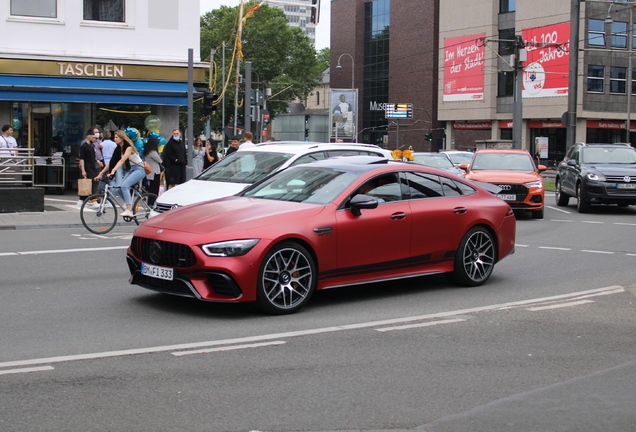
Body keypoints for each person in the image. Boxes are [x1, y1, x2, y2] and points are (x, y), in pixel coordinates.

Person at [107, 130, 147, 217]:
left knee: (124, 186)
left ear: (122, 138)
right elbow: (113, 161)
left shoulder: (128, 147)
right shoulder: (119, 148)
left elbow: (122, 160)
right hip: (131, 169)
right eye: (114, 137)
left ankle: (129, 210)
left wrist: (113, 171)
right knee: (120, 187)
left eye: (116, 137)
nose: (115, 139)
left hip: (139, 169)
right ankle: (129, 204)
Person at [78, 128, 100, 206]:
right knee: (91, 184)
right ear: (89, 137)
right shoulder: (84, 146)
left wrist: (97, 161)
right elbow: (82, 159)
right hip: (87, 167)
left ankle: (82, 200)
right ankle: (94, 201)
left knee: (90, 184)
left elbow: (93, 157)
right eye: (93, 137)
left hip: (93, 166)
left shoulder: (92, 146)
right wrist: (83, 170)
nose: (94, 139)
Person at [143, 136, 163, 203]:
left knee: (151, 188)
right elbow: (159, 160)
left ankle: (150, 202)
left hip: (150, 172)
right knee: (155, 189)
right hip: (155, 172)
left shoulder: (147, 151)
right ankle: (153, 202)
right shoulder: (153, 152)